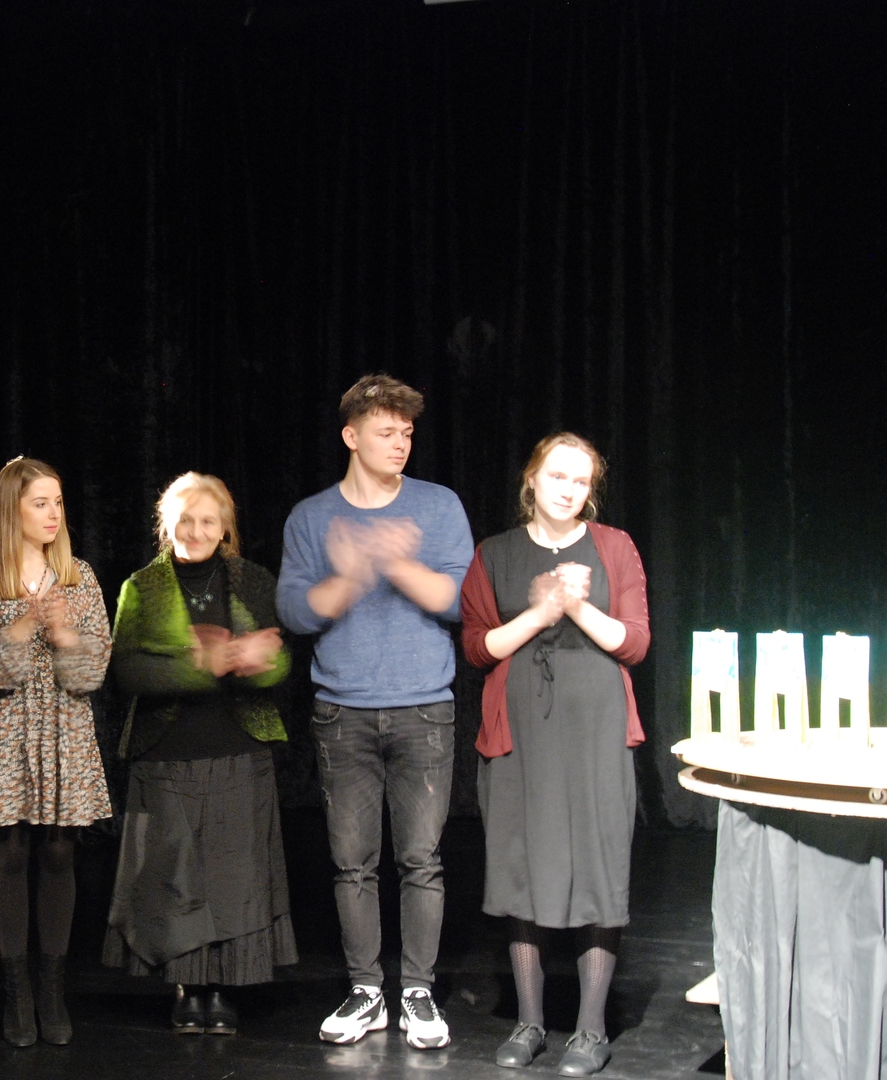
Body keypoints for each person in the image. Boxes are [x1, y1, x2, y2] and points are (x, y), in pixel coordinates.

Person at [276, 373, 473, 1049]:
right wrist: (353, 574)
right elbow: (295, 611)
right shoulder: (311, 517)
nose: (400, 443)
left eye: (407, 433)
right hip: (343, 711)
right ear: (351, 436)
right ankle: (366, 990)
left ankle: (417, 991)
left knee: (421, 859)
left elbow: (462, 601)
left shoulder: (437, 506)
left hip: (424, 708)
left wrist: (393, 562)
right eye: (386, 432)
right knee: (352, 863)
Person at [458, 433, 649, 1077]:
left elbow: (635, 642)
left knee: (597, 867)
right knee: (523, 867)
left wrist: (577, 606)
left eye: (581, 481)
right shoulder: (495, 553)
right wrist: (540, 614)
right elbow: (478, 647)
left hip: (595, 732)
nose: (569, 490)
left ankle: (591, 1029)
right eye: (558, 476)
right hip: (521, 736)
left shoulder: (614, 546)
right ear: (532, 480)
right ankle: (529, 1021)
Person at [102, 472, 299, 1036]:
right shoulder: (142, 587)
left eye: (207, 520)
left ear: (225, 528)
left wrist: (256, 661)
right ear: (166, 525)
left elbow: (280, 662)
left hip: (238, 748)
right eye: (184, 519)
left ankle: (224, 989)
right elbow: (127, 672)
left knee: (235, 879)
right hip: (167, 752)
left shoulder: (252, 580)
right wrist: (204, 664)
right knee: (176, 880)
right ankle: (188, 989)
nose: (195, 530)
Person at [0, 457, 112, 1048]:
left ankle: (51, 990)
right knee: (11, 854)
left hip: (63, 730)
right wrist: (25, 624)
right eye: (40, 503)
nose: (53, 514)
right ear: (11, 510)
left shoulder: (78, 576)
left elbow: (93, 671)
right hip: (6, 732)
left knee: (60, 854)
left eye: (58, 503)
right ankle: (17, 992)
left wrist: (64, 633)